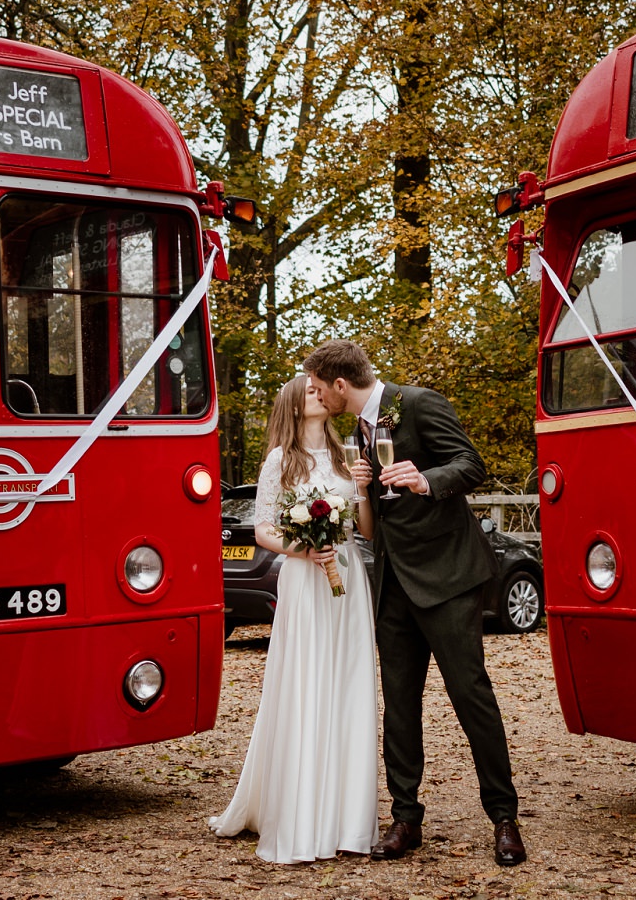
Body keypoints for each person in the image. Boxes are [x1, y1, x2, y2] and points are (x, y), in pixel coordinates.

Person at [301, 340, 527, 868]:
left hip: (447, 578)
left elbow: (472, 463)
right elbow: (377, 515)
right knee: (399, 705)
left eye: (320, 386)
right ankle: (406, 819)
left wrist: (427, 480)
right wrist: (360, 493)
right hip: (393, 585)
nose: (317, 396)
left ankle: (504, 818)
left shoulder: (419, 403)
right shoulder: (357, 432)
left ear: (340, 385)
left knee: (471, 697)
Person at [208, 376, 380, 863]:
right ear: (293, 403)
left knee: (348, 686)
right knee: (306, 684)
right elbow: (263, 528)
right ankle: (302, 814)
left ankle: (347, 819)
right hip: (304, 581)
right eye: (308, 389)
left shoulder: (349, 455)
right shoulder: (279, 460)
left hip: (347, 581)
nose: (318, 393)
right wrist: (301, 547)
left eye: (320, 388)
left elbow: (364, 531)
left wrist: (364, 492)